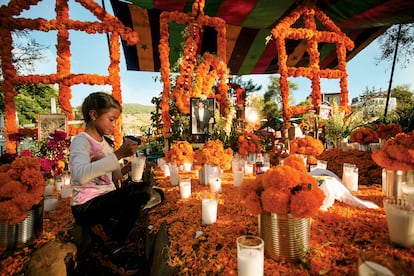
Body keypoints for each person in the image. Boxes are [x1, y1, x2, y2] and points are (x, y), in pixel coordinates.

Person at [69, 92, 151, 245]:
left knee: (146, 190)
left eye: (116, 120)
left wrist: (129, 167)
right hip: (86, 205)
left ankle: (111, 235)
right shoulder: (82, 141)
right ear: (93, 114)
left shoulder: (107, 144)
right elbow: (80, 176)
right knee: (141, 192)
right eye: (111, 119)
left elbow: (114, 178)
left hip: (105, 199)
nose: (114, 125)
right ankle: (113, 242)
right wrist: (119, 154)